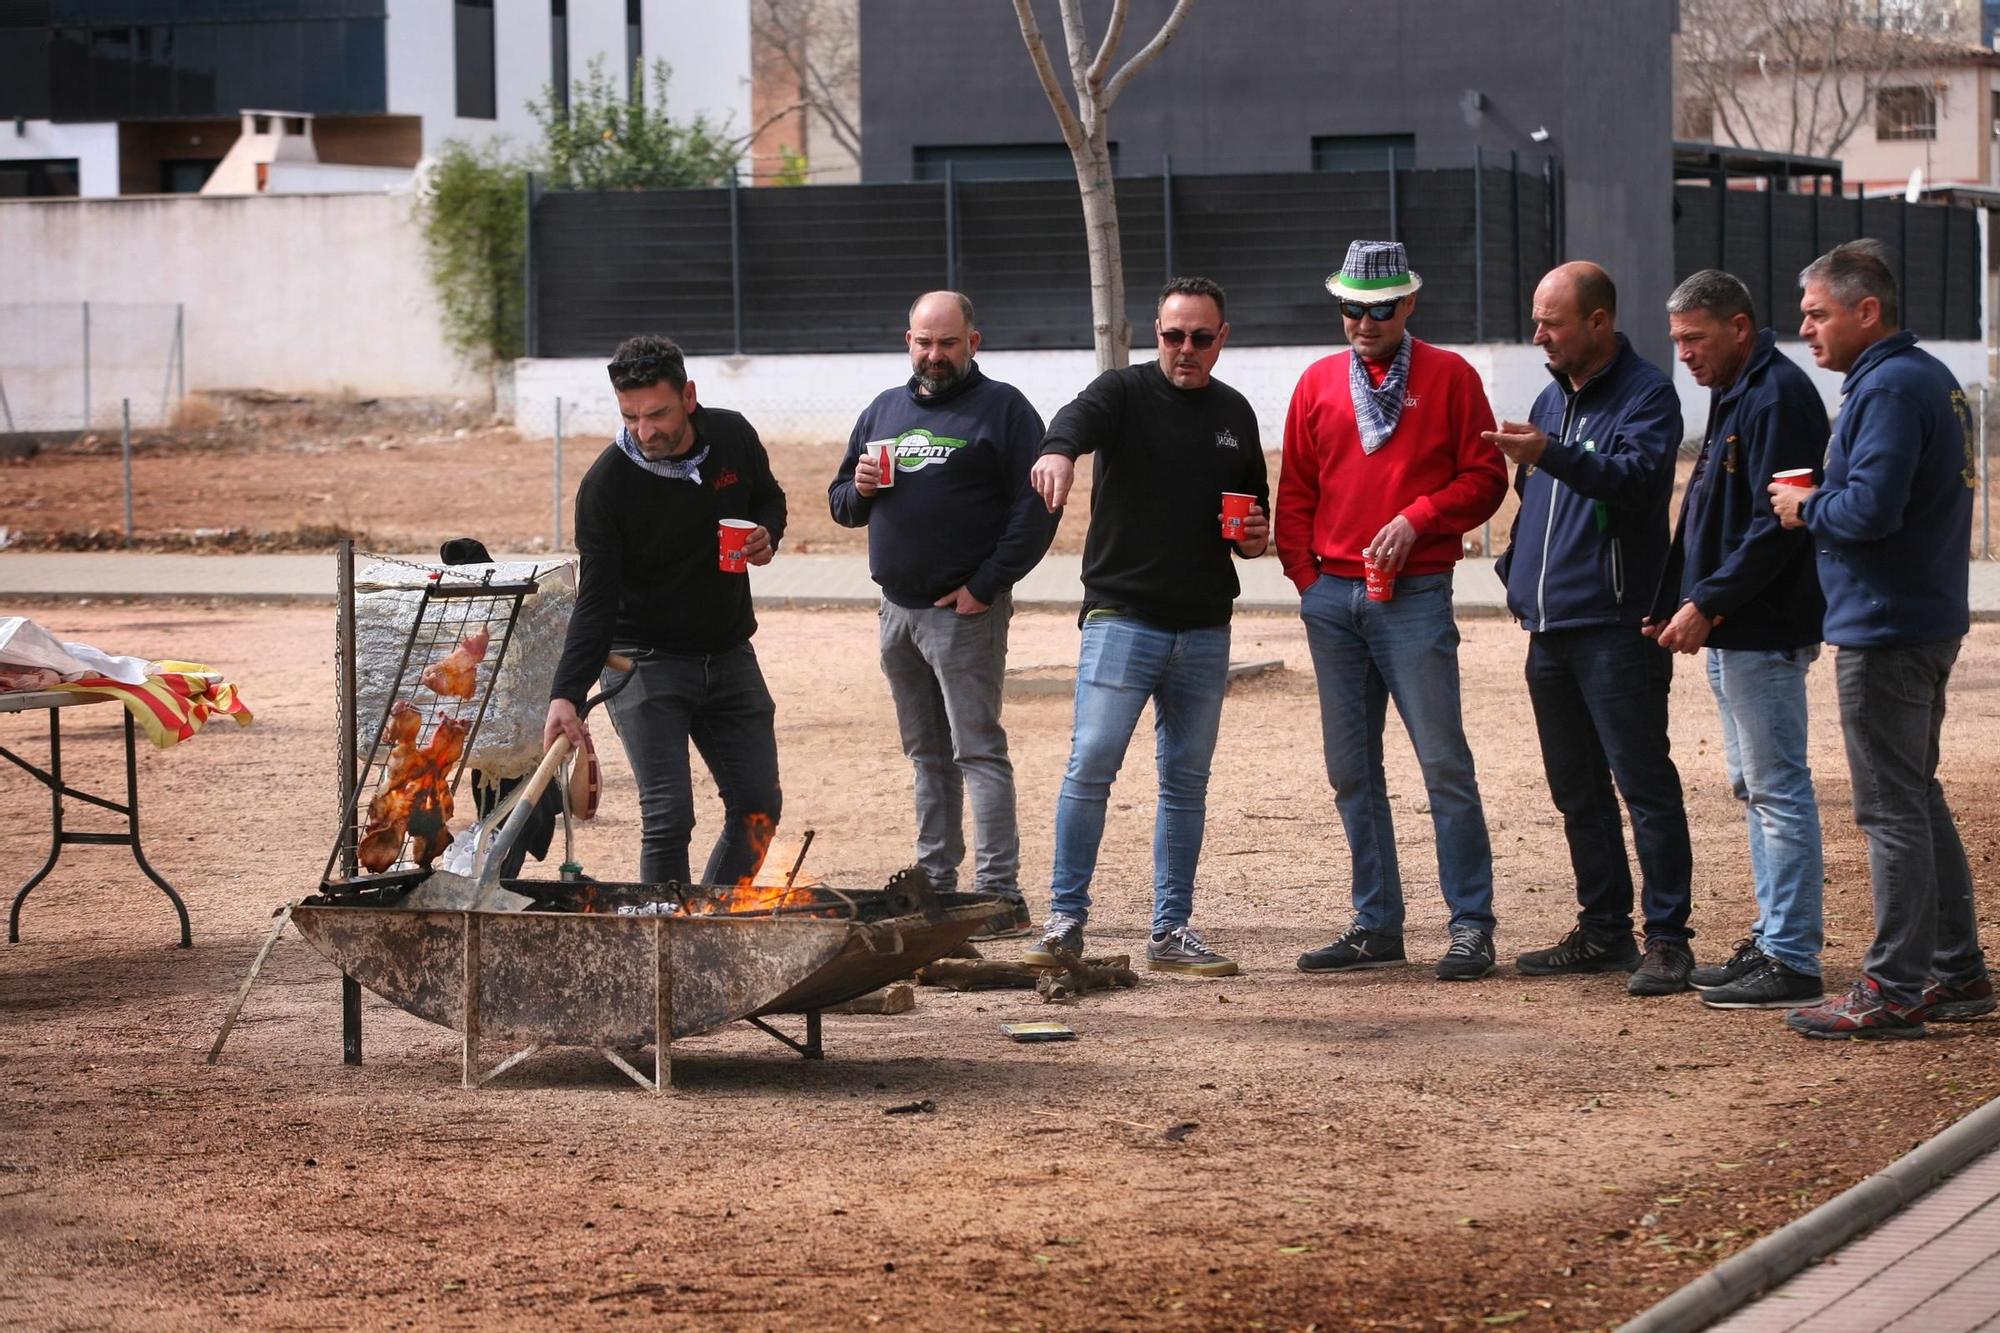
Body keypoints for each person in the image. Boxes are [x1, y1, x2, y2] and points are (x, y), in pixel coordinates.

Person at [1771, 239, 1992, 1040]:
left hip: (1888, 626)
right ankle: (1957, 970)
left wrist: (1806, 507)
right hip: (1916, 618)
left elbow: (1868, 511)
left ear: (1868, 311)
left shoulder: (1891, 387)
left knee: (1890, 809)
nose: (1805, 329)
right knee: (1916, 796)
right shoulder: (1915, 377)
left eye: (1818, 313)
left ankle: (1894, 988)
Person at [1022, 276, 1269, 978]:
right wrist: (1057, 451)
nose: (1184, 349)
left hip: (1204, 625)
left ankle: (1172, 928)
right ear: (1153, 334)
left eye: (1199, 337)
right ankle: (1065, 919)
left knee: (1186, 782)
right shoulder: (1123, 392)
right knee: (1092, 762)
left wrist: (1256, 535)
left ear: (1222, 338)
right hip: (1122, 617)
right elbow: (1073, 419)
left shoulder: (1234, 413)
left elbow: (1253, 516)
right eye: (1172, 335)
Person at [1276, 241, 1508, 981]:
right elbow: (1297, 492)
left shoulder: (1450, 376)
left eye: (1379, 308)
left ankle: (1471, 924)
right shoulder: (1316, 383)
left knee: (1443, 762)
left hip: (1413, 594)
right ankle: (1377, 921)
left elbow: (1486, 477)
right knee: (1351, 770)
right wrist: (1307, 579)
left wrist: (1422, 517)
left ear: (1409, 304)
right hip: (1334, 597)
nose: (1364, 321)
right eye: (1351, 307)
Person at [1486, 262, 1697, 996]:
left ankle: (1668, 940)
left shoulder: (1647, 396)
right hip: (1549, 631)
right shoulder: (1552, 396)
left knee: (1644, 786)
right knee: (1576, 790)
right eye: (1537, 319)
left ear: (1598, 322)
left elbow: (1636, 480)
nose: (1539, 334)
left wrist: (1550, 453)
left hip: (1616, 627)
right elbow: (1539, 499)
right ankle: (1603, 929)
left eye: (1553, 322)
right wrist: (1513, 567)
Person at [829, 291, 1057, 939]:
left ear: (973, 342)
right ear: (908, 341)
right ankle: (938, 882)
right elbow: (842, 502)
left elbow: (1038, 508)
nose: (934, 356)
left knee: (977, 752)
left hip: (965, 614)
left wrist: (987, 583)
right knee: (926, 756)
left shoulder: (1004, 409)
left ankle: (1000, 892)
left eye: (947, 344)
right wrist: (862, 488)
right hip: (895, 613)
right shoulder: (885, 409)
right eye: (924, 343)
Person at [543, 335, 788, 888]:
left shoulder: (733, 435)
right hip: (642, 663)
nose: (645, 431)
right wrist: (567, 694)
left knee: (759, 809)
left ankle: (710, 922)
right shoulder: (606, 486)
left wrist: (767, 534)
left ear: (689, 397)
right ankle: (667, 947)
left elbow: (767, 499)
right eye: (630, 417)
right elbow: (596, 603)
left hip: (728, 653)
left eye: (657, 414)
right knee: (669, 816)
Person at [1647, 269, 1829, 1011]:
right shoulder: (1739, 391)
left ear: (1740, 327)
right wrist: (1680, 601)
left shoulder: (1778, 394)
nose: (1684, 353)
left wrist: (1706, 604)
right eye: (1678, 340)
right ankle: (1772, 935)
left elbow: (1777, 526)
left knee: (1778, 788)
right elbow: (1708, 517)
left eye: (1695, 338)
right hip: (1733, 625)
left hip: (1763, 626)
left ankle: (1792, 953)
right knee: (1755, 786)